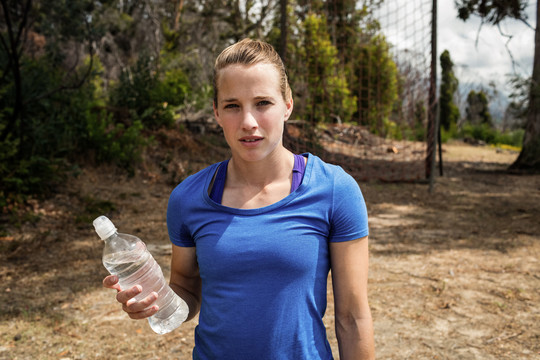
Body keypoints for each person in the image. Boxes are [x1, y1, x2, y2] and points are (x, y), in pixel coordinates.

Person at [103, 38, 375, 360]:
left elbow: (352, 318)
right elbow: (187, 291)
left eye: (263, 103)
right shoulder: (187, 199)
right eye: (232, 105)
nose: (248, 122)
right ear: (216, 112)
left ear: (287, 105)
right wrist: (156, 301)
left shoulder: (334, 190)